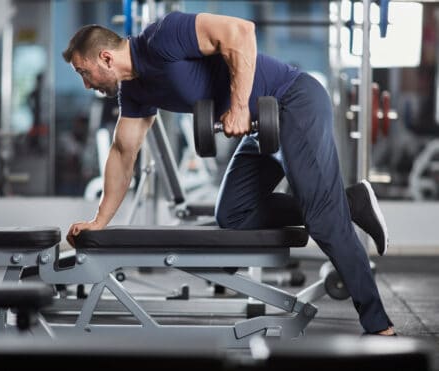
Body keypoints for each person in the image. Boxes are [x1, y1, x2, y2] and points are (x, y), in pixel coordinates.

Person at [62, 11, 395, 336]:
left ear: (105, 58)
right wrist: (99, 221)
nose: (86, 83)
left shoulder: (163, 36)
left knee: (323, 217)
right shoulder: (135, 92)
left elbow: (242, 32)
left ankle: (378, 322)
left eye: (83, 72)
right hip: (260, 125)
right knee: (234, 214)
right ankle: (350, 202)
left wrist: (237, 107)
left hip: (292, 100)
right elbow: (123, 153)